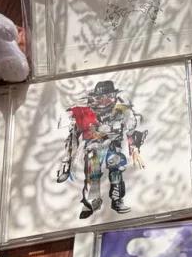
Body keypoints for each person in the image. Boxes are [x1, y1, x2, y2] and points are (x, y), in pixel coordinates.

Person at [56, 80, 147, 220]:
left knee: (116, 168)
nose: (105, 101)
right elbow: (72, 136)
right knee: (93, 173)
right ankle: (92, 202)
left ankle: (117, 200)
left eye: (109, 96)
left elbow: (130, 131)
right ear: (93, 98)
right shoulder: (82, 111)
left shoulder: (123, 110)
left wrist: (134, 149)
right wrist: (67, 162)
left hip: (113, 144)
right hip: (93, 146)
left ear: (114, 95)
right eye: (100, 98)